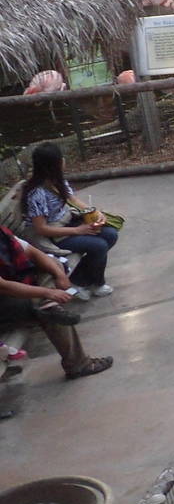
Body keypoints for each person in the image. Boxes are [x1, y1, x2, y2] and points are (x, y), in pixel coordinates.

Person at [0, 220, 113, 379]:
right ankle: (79, 365)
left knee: (53, 267)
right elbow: (3, 286)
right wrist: (47, 293)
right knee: (48, 309)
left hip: (12, 288)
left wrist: (59, 276)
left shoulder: (3, 233)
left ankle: (52, 303)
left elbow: (33, 252)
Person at [23, 143, 118, 299]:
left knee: (110, 234)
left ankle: (82, 279)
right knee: (98, 245)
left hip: (66, 224)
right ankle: (91, 283)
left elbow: (73, 200)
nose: (64, 160)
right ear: (55, 164)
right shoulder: (36, 193)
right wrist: (78, 231)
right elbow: (41, 229)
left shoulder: (57, 181)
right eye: (61, 158)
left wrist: (96, 213)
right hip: (51, 237)